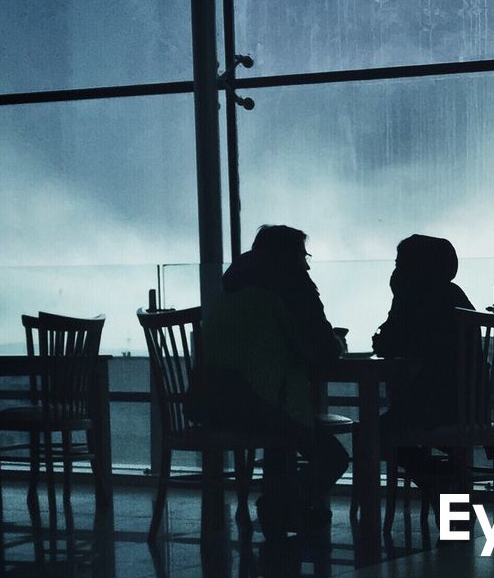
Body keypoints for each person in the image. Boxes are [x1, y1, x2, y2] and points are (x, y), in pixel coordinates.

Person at [201, 224, 349, 535]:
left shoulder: (232, 288)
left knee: (286, 435)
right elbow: (322, 348)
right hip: (262, 405)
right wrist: (338, 343)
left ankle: (284, 512)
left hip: (212, 404)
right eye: (304, 255)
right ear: (291, 255)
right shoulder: (292, 285)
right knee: (333, 457)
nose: (307, 264)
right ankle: (280, 507)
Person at [372, 234, 477, 496]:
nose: (395, 269)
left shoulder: (414, 296)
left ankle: (435, 479)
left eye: (399, 262)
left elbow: (389, 343)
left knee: (373, 433)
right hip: (472, 405)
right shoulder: (455, 296)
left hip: (432, 405)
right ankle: (445, 480)